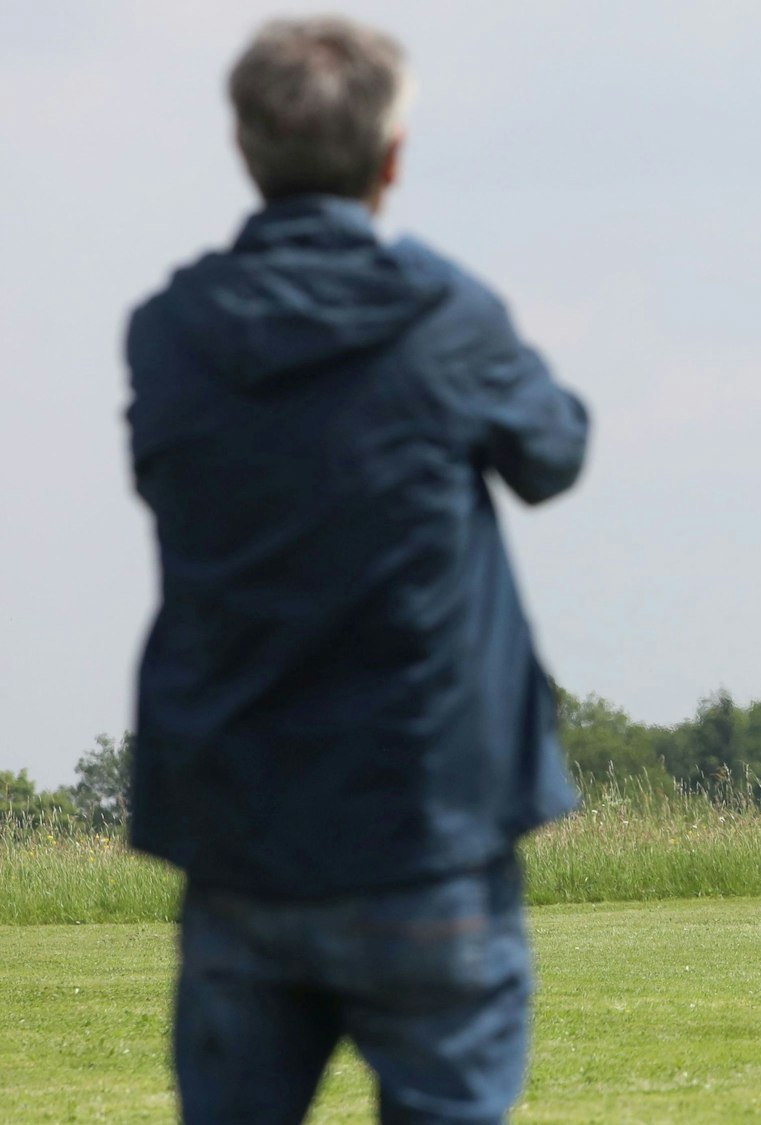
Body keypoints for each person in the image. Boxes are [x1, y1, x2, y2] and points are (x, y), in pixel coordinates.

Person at [124, 15, 588, 1123]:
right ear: (391, 160)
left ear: (245, 151)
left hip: (238, 828)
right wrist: (421, 268)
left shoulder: (171, 331)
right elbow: (555, 452)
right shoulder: (440, 313)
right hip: (426, 822)